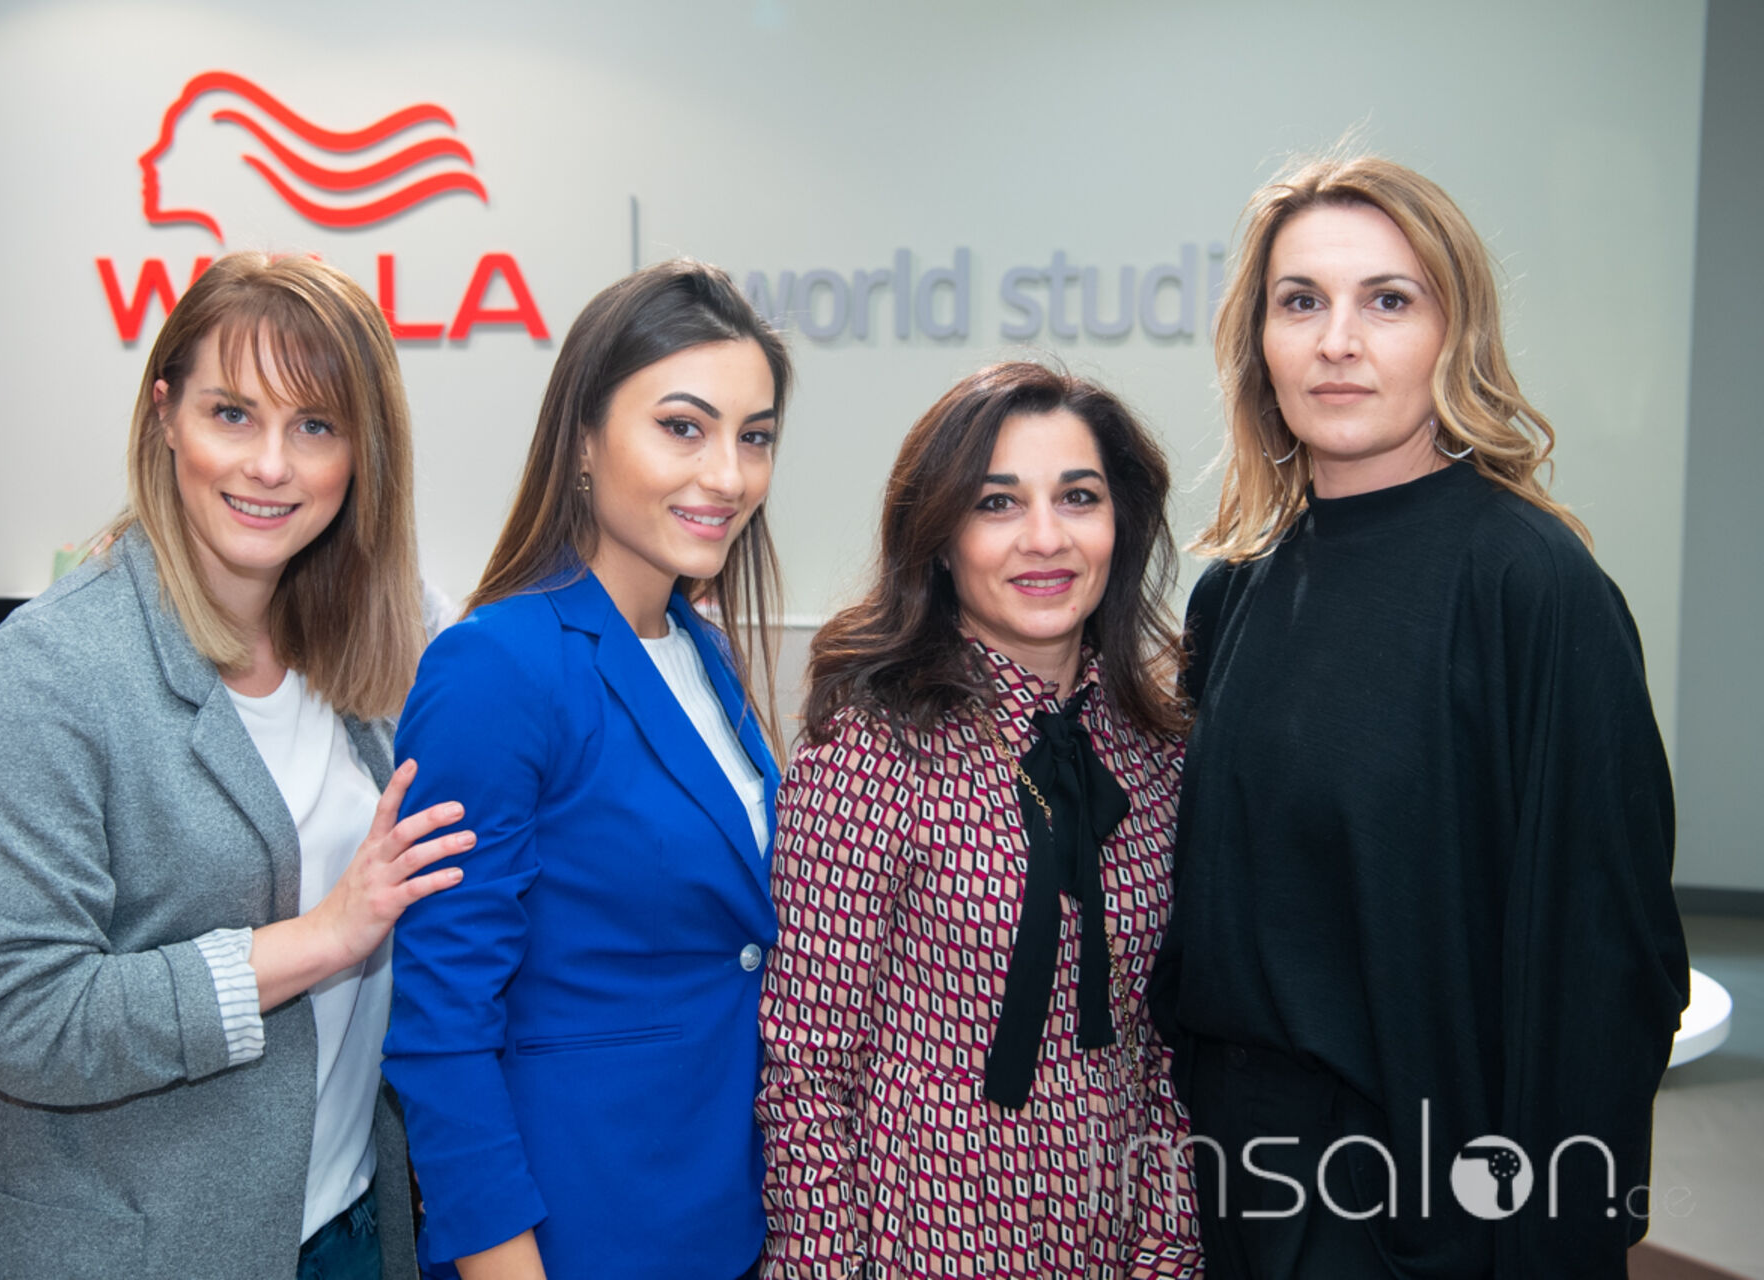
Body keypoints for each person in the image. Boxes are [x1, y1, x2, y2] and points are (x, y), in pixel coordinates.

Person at [1146, 154, 1690, 1278]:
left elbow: (1606, 972)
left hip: (1420, 1207)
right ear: (1260, 341)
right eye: (1302, 302)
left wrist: (1553, 1240)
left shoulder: (1533, 587)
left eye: (1387, 301)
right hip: (1221, 1185)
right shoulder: (1238, 588)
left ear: (1454, 334)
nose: (1338, 341)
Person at [0, 252, 469, 1280]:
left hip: (347, 1221)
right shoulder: (49, 671)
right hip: (129, 1249)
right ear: (165, 413)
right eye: (232, 413)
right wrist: (321, 938)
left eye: (316, 426)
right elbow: (15, 1013)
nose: (270, 464)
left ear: (363, 453)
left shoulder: (386, 644)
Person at [384, 259, 792, 1280]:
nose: (728, 475)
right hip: (572, 1233)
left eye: (754, 437)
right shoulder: (498, 666)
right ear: (581, 439)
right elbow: (441, 1021)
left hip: (719, 1212)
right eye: (683, 427)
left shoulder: (705, 652)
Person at [758, 361, 1203, 1278]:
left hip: (1118, 1248)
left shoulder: (1158, 752)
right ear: (940, 538)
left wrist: (1169, 1249)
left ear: (1119, 522)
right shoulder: (870, 750)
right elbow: (805, 1078)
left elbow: (1167, 1051)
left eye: (1078, 497)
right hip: (919, 1251)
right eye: (997, 504)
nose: (1046, 538)